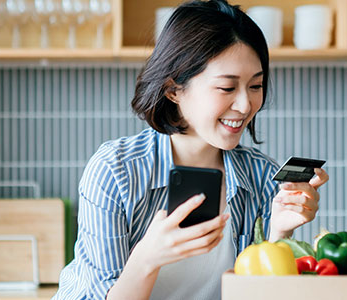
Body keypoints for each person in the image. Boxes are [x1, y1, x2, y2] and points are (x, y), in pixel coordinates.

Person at [54, 0, 329, 299]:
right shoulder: (116, 171)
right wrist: (147, 258)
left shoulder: (261, 176)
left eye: (255, 85)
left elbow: (255, 292)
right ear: (174, 90)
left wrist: (277, 235)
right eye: (227, 87)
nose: (245, 105)